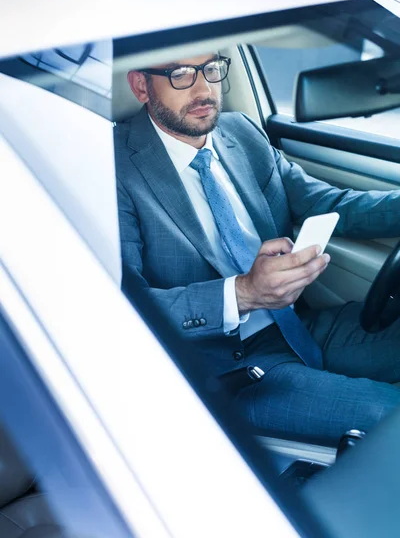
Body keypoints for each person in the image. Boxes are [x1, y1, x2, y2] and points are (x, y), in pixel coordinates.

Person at [114, 52, 400, 445]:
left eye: (212, 69)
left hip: (298, 326)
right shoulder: (112, 165)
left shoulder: (241, 131)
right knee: (389, 417)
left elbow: (327, 203)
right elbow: (122, 309)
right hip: (228, 368)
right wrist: (245, 293)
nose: (204, 89)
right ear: (141, 86)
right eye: (181, 75)